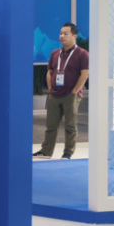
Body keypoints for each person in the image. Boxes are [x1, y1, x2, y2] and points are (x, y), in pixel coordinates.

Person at [35, 22, 89, 160]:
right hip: (54, 94)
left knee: (70, 125)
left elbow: (84, 74)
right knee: (51, 125)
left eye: (65, 33)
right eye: (60, 33)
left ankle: (68, 152)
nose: (61, 36)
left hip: (71, 94)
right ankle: (46, 151)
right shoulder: (55, 53)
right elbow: (49, 72)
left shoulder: (82, 54)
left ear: (74, 36)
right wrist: (50, 88)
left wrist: (74, 92)